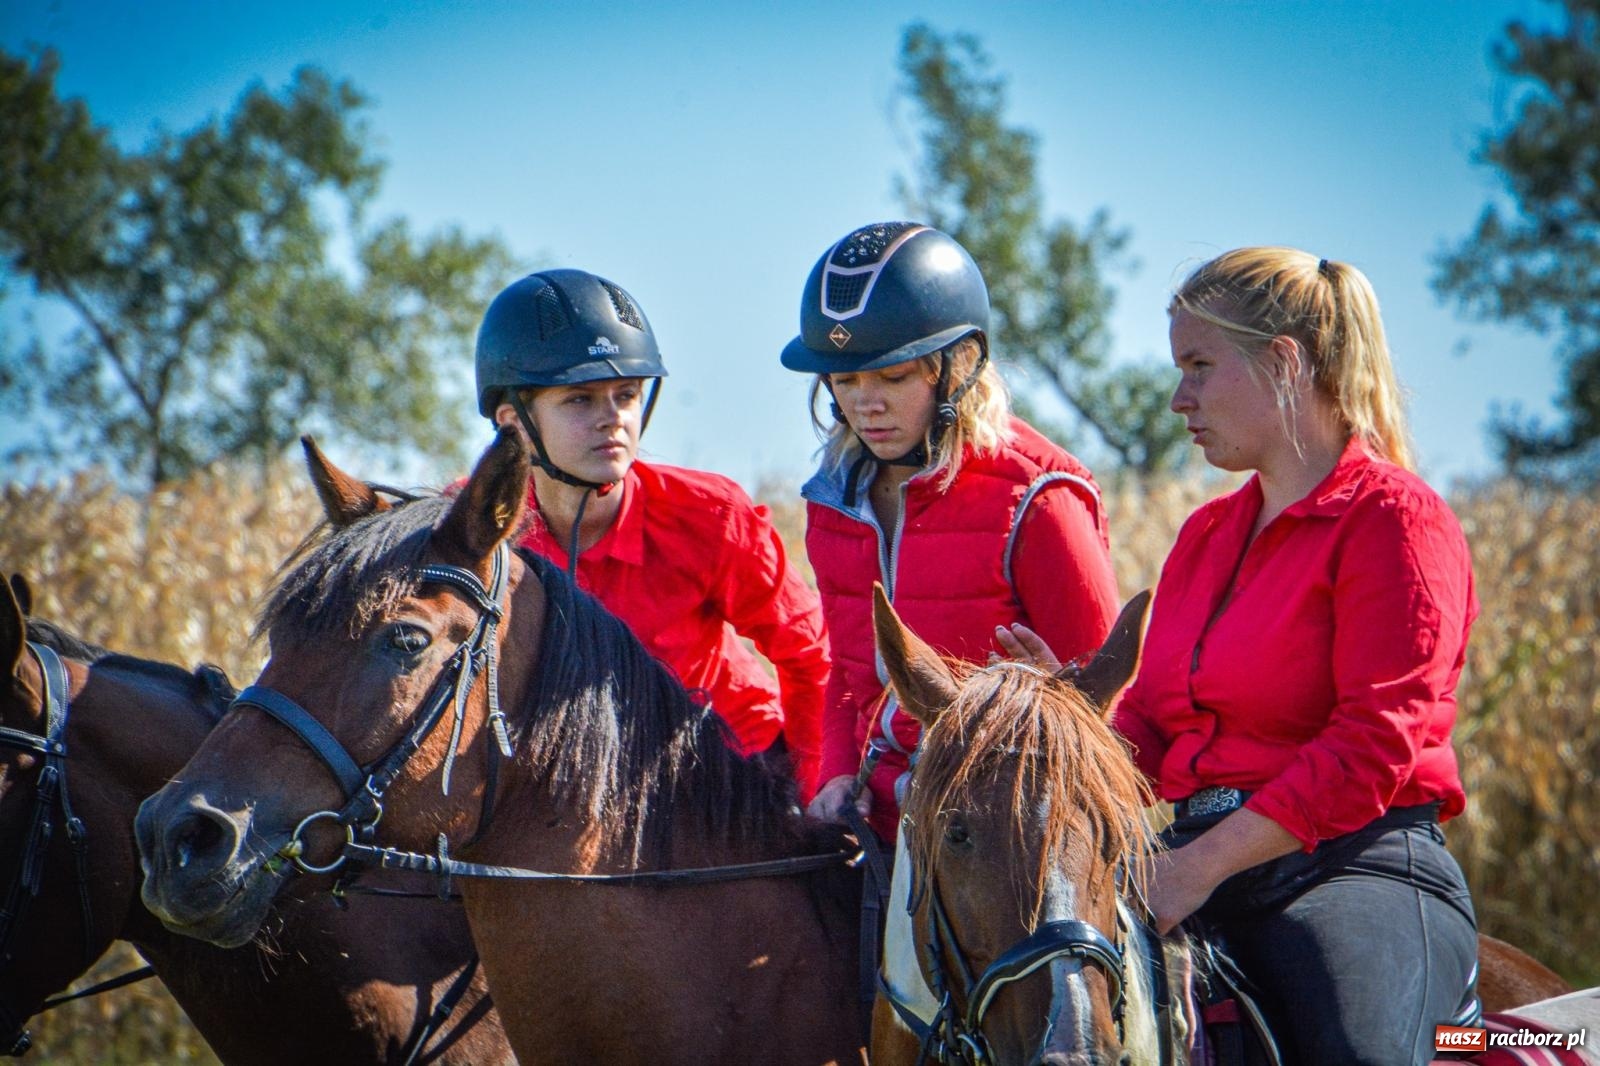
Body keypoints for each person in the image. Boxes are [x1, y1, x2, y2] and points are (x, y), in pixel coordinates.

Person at [1111, 247, 1480, 1065]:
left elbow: (1371, 746)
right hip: (1189, 866)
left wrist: (1196, 868)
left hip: (1360, 868)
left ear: (1282, 362)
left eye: (1200, 366)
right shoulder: (1205, 536)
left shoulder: (1397, 520)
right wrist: (1056, 726)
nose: (1179, 399)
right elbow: (1149, 720)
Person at [780, 221, 1120, 841]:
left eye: (893, 376)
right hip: (872, 824)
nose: (865, 404)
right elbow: (849, 669)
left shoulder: (1040, 499)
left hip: (1003, 838)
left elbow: (1111, 707)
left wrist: (1055, 707)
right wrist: (833, 775)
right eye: (846, 379)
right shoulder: (833, 497)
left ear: (959, 363)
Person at [474, 269, 829, 798]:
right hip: (567, 788)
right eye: (579, 399)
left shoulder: (711, 514)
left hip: (729, 770)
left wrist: (812, 785)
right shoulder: (474, 528)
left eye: (626, 394)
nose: (612, 419)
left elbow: (811, 656)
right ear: (514, 423)